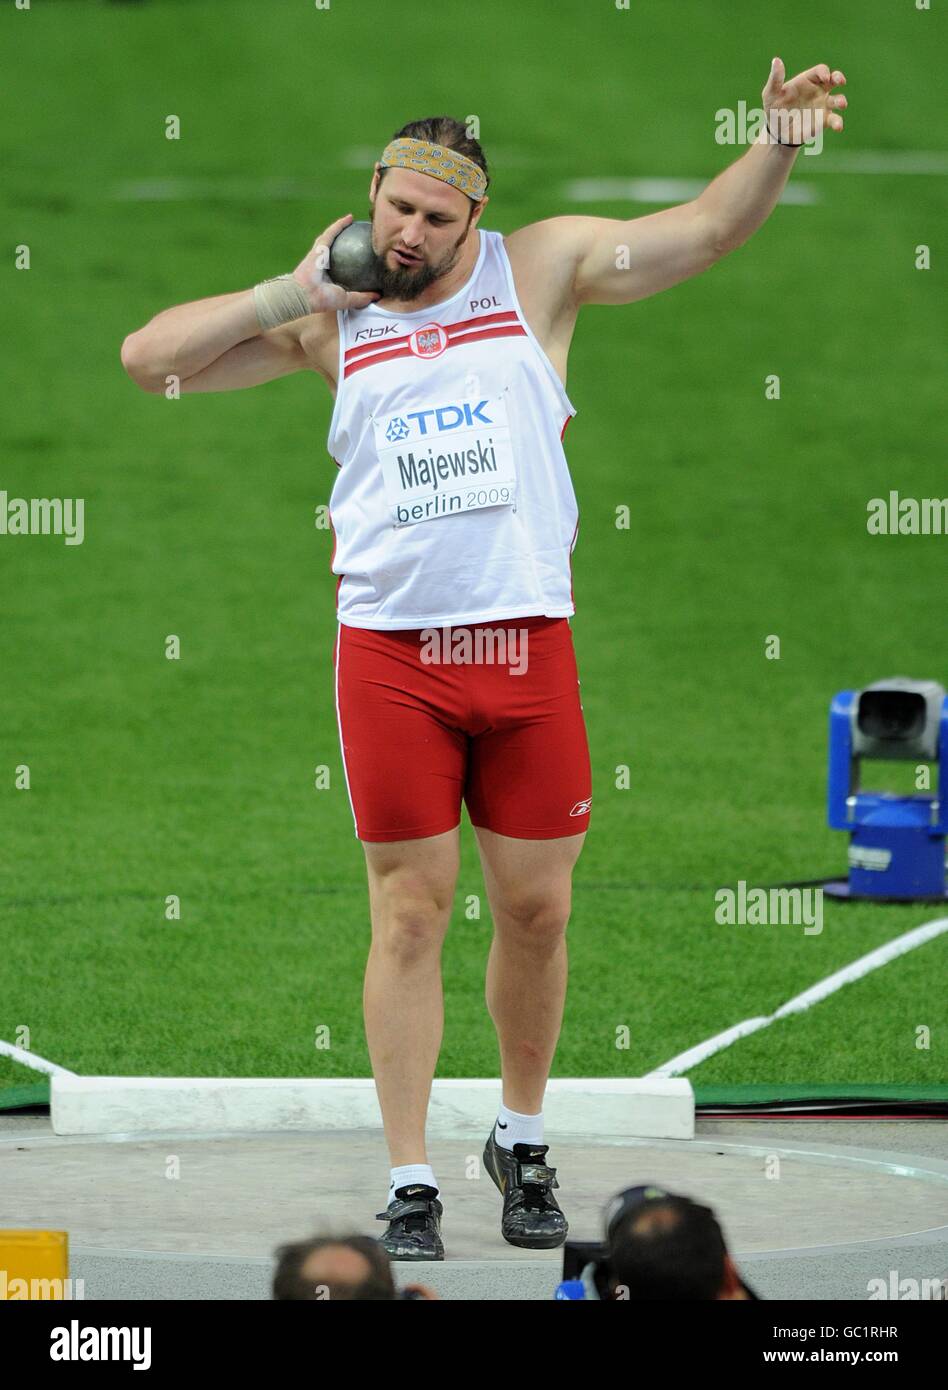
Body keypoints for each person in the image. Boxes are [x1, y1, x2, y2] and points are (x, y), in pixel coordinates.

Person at [120, 62, 847, 1261]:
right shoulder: (328, 318)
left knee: (537, 908)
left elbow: (707, 233)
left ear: (476, 220)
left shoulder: (544, 270)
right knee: (410, 912)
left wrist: (774, 139)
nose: (409, 235)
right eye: (396, 208)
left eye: (436, 218)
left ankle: (521, 1136)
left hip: (522, 647)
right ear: (374, 195)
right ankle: (411, 1177)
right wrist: (289, 287)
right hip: (393, 658)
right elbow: (153, 361)